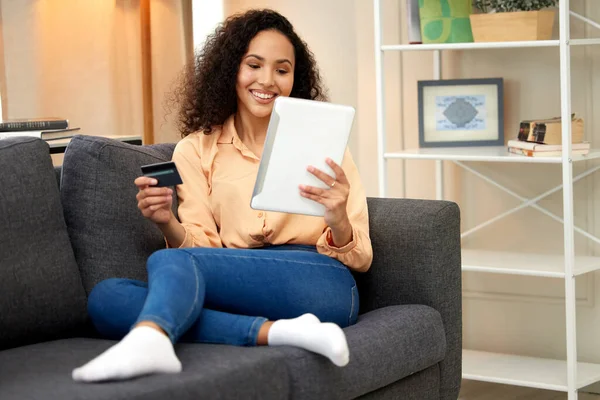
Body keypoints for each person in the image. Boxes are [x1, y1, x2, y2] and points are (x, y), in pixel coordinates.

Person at [72, 8, 372, 383]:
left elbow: (361, 259)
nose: (267, 80)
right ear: (231, 68)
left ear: (295, 78)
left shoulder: (327, 148)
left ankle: (152, 337)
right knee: (107, 298)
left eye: (282, 70)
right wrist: (167, 221)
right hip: (235, 278)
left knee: (170, 265)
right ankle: (278, 332)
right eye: (254, 65)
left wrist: (338, 218)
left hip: (320, 282)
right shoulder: (195, 150)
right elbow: (204, 250)